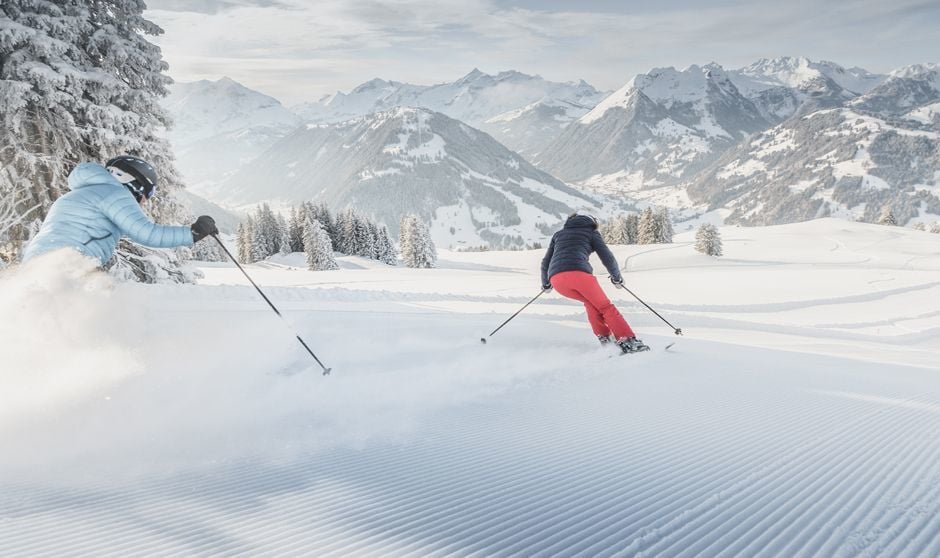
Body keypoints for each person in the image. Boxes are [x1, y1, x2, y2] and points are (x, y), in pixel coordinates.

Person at [22, 156, 219, 266]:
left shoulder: (79, 194)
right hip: (70, 261)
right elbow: (147, 233)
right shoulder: (115, 193)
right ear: (136, 184)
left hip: (37, 259)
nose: (144, 201)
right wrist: (193, 233)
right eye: (148, 193)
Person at [541, 213, 649, 354]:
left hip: (557, 280)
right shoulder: (591, 233)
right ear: (592, 223)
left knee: (591, 303)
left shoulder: (558, 235)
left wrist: (546, 282)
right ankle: (628, 341)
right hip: (579, 275)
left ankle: (606, 340)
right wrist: (616, 277)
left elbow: (546, 262)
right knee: (605, 307)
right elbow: (607, 257)